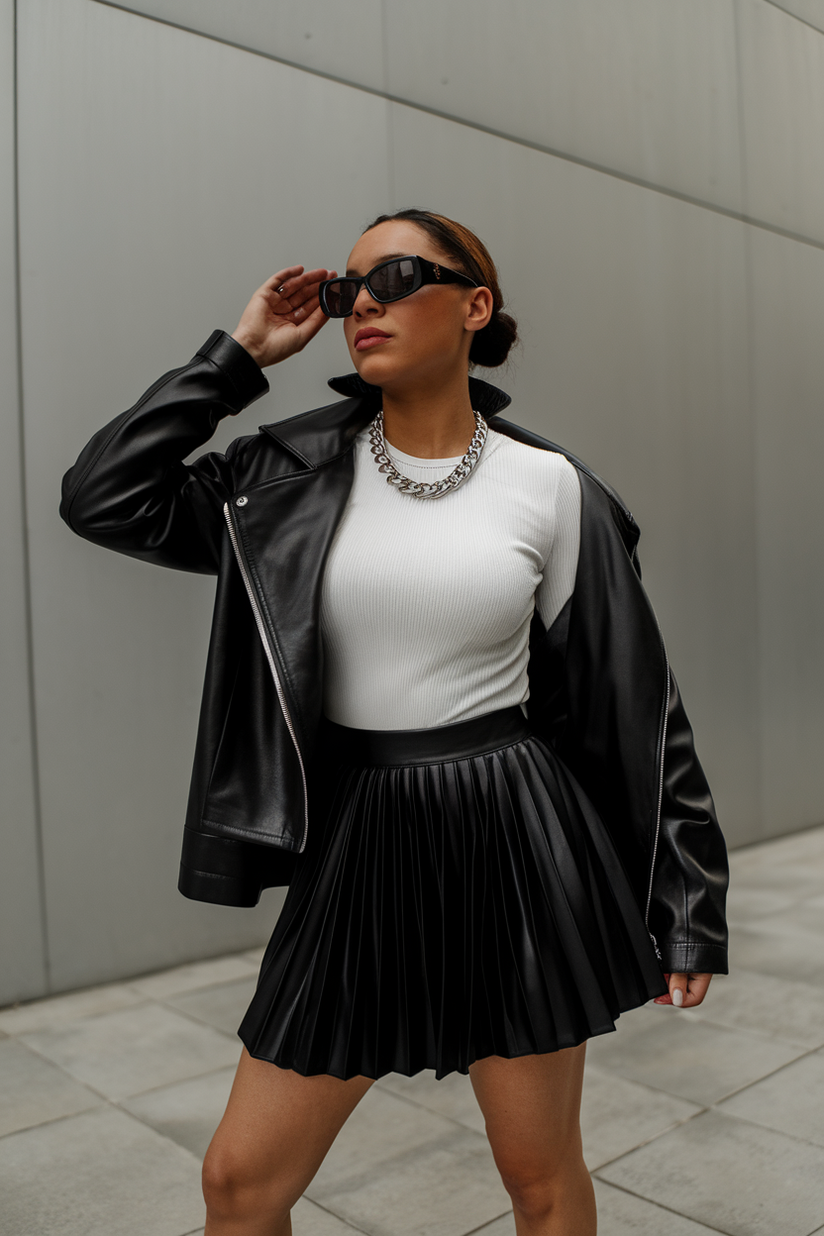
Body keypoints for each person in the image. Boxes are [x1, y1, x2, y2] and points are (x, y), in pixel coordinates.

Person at [60, 208, 729, 1236]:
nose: (358, 302)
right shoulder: (277, 476)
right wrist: (236, 357)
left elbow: (636, 705)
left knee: (539, 1179)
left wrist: (685, 896)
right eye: (344, 288)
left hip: (514, 837)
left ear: (474, 306)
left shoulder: (548, 490)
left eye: (396, 275)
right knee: (240, 1184)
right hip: (357, 839)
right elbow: (104, 495)